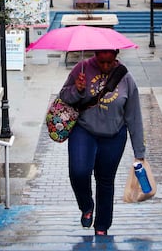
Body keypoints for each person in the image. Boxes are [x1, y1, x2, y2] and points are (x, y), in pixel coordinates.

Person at [58, 49, 145, 236]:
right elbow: (63, 97)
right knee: (78, 172)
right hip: (84, 130)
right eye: (101, 61)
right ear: (95, 55)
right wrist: (77, 89)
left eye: (109, 62)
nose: (105, 66)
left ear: (116, 56)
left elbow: (134, 115)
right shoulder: (81, 69)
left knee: (105, 180)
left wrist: (139, 152)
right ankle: (86, 206)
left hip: (113, 136)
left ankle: (102, 227)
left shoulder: (125, 77)